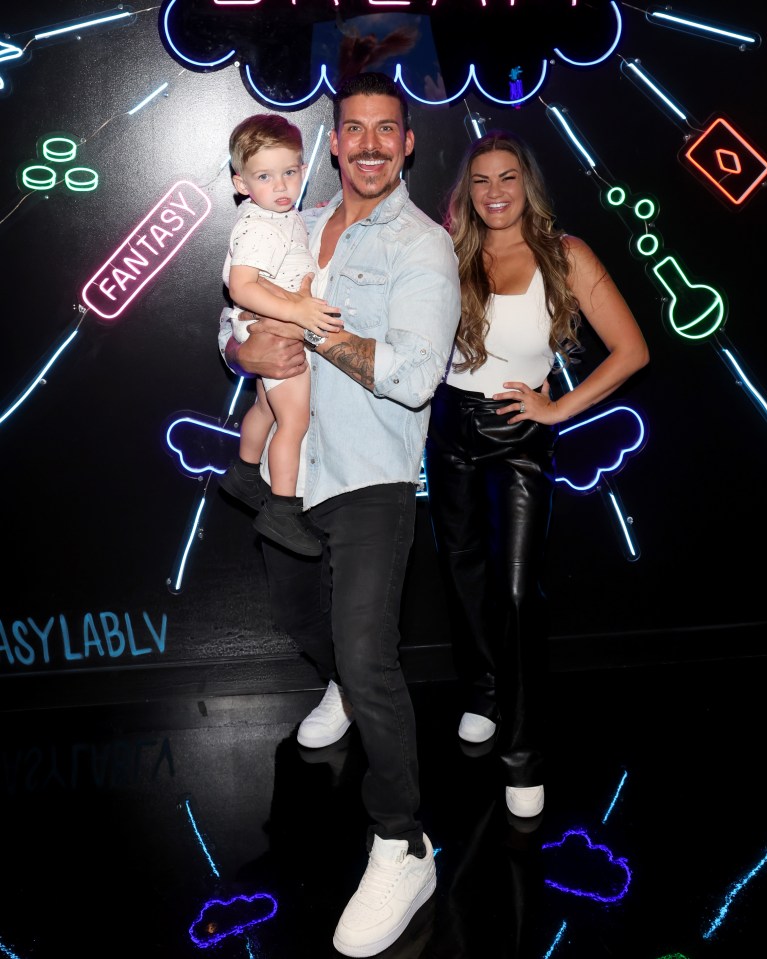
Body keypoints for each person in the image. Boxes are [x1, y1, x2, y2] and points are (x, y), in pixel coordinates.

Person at [218, 73, 460, 957]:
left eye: (383, 130)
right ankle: (342, 686)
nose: (365, 142)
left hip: (369, 476)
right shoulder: (291, 216)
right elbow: (233, 323)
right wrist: (249, 341)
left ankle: (404, 841)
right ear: (333, 141)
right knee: (300, 623)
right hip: (296, 475)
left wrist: (309, 329)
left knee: (367, 653)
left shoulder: (424, 248)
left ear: (406, 145)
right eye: (350, 127)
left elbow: (412, 375)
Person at [424, 130, 649, 820]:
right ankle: (486, 687)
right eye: (482, 180)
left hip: (521, 437)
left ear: (529, 185)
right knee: (463, 575)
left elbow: (632, 350)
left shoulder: (565, 254)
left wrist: (555, 410)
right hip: (449, 428)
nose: (495, 192)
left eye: (508, 178)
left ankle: (523, 752)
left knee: (519, 592)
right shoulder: (445, 252)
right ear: (468, 190)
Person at [218, 113, 344, 556]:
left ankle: (243, 473)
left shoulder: (282, 216)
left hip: (262, 327)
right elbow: (241, 286)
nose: (282, 186)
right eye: (265, 177)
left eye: (289, 173)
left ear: (304, 170)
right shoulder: (259, 226)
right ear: (241, 184)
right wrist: (298, 310)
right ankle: (283, 510)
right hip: (277, 337)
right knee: (296, 421)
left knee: (267, 409)